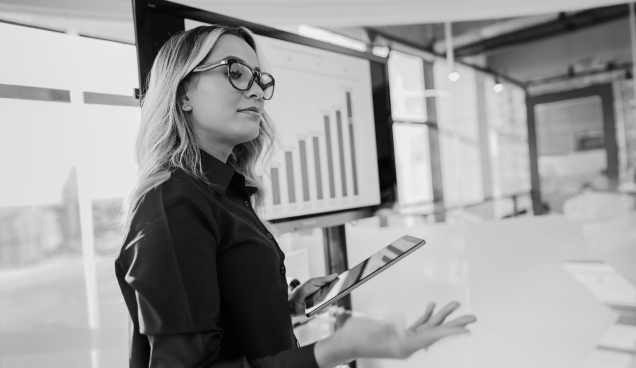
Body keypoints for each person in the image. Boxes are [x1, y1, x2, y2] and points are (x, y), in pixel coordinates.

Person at [115, 24, 476, 368]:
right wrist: (339, 348)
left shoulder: (226, 193)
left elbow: (217, 312)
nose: (256, 91)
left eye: (260, 79)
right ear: (183, 94)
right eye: (236, 72)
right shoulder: (173, 202)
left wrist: (283, 305)